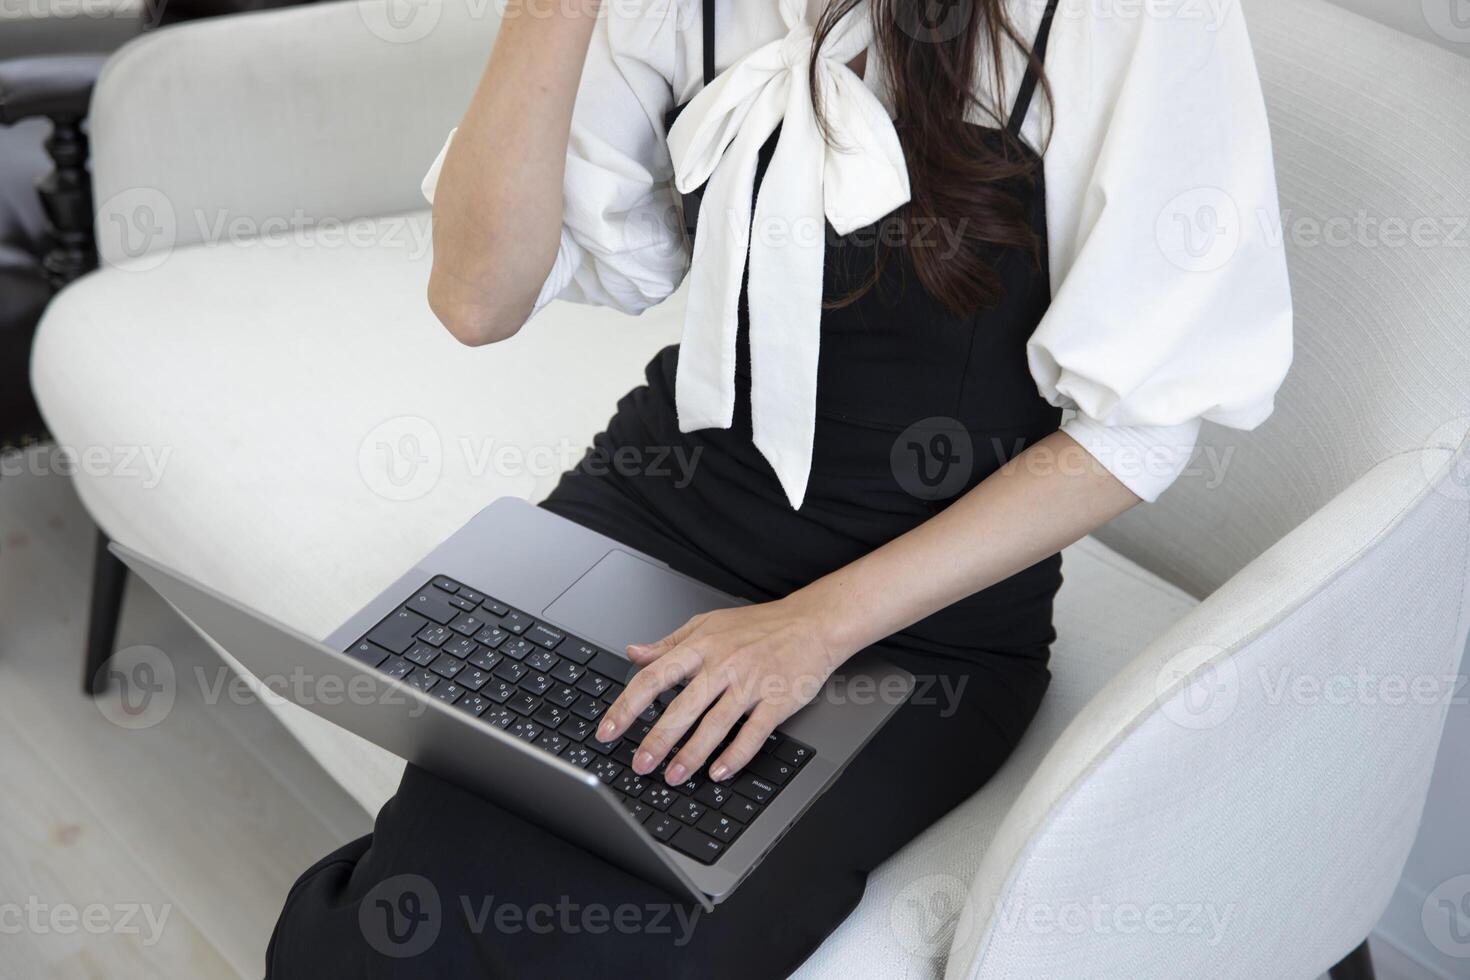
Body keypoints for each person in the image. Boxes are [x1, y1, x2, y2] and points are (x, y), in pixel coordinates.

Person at [267, 0, 1292, 974]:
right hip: (657, 510)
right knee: (417, 910)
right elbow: (477, 297)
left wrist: (810, 628)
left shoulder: (1126, 20)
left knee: (615, 940)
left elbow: (1143, 432)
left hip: (913, 622)